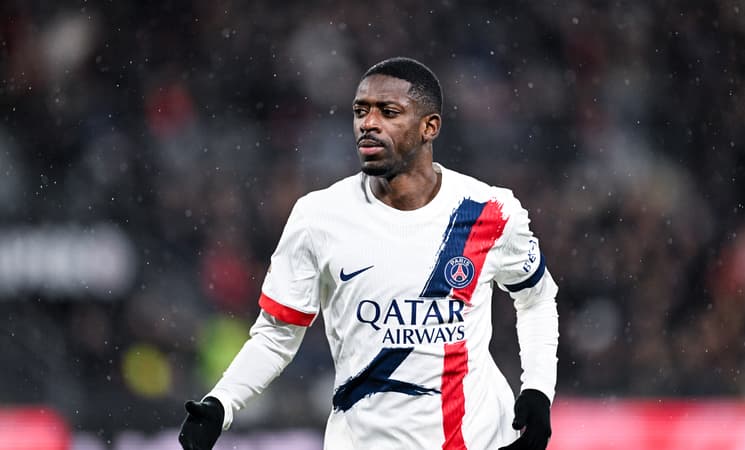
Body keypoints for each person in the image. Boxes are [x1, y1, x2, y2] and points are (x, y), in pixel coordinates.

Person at [179, 56, 559, 450]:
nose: (368, 123)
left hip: (477, 439)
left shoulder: (489, 210)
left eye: (388, 112)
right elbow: (277, 335)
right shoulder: (318, 218)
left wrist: (537, 389)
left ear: (429, 127)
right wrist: (221, 403)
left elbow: (537, 299)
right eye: (361, 111)